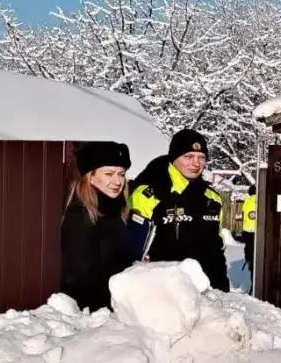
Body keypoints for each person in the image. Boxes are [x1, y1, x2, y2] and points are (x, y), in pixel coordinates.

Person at [127, 128, 230, 292]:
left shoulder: (213, 199)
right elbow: (133, 253)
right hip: (165, 294)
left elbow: (217, 250)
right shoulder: (149, 195)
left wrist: (222, 288)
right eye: (188, 157)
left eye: (201, 157)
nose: (196, 163)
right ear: (174, 158)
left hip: (209, 293)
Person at [60, 141, 135, 312]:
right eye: (109, 174)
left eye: (121, 174)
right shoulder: (81, 215)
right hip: (94, 313)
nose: (117, 181)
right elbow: (81, 275)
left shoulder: (117, 211)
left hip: (115, 307)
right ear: (90, 176)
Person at [241, 184, 257, 279]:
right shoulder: (259, 200)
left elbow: (243, 216)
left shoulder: (247, 201)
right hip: (257, 232)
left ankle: (251, 269)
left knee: (250, 253)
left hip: (247, 231)